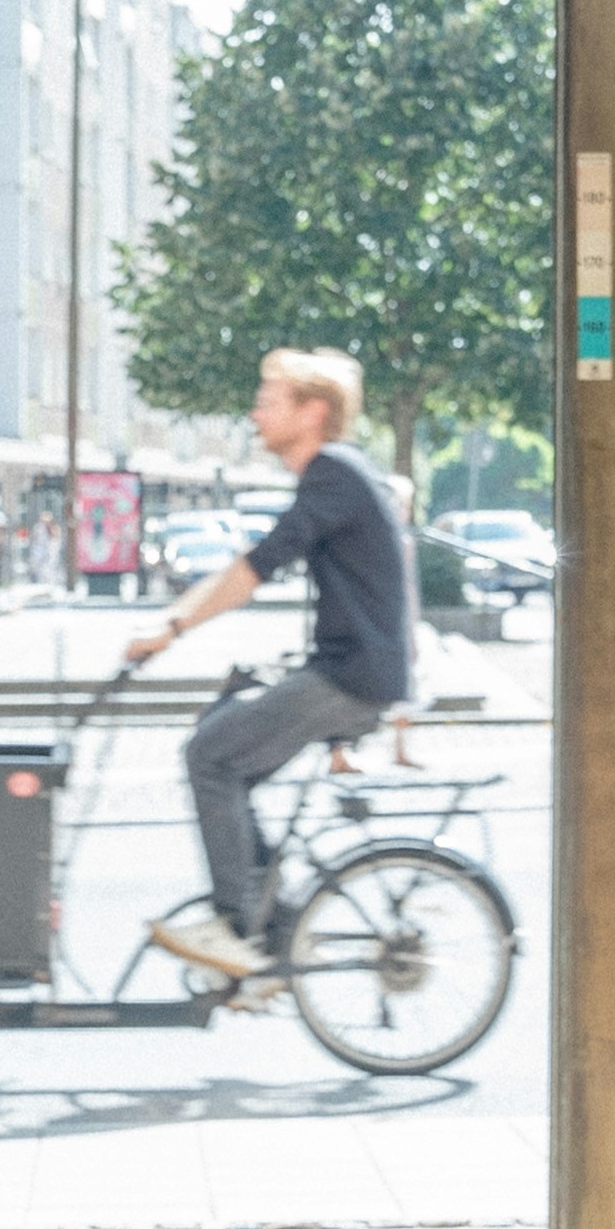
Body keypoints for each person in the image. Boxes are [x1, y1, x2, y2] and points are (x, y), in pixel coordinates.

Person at [123, 347, 410, 978]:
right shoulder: (339, 474)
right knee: (228, 753)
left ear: (312, 412)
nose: (255, 416)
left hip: (350, 676)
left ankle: (236, 927)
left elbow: (256, 567)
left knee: (209, 756)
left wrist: (169, 629)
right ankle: (273, 925)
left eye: (268, 401)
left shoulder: (332, 473)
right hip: (352, 668)